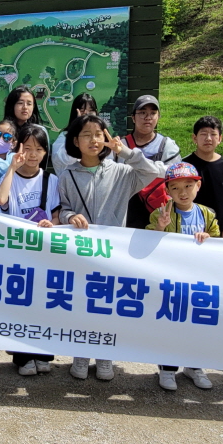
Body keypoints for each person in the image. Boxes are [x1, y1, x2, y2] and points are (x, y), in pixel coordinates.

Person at [57, 113, 160, 382]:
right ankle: (80, 354)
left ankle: (105, 356)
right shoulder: (67, 174)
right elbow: (64, 208)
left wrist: (125, 152)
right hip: (79, 250)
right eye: (86, 135)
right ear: (75, 141)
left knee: (106, 304)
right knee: (81, 302)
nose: (94, 139)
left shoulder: (123, 172)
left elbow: (154, 172)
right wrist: (70, 217)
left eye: (99, 134)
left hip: (112, 252)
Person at [145, 162, 218, 393]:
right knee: (171, 324)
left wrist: (208, 237)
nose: (182, 192)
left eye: (188, 185)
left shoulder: (207, 213)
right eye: (175, 188)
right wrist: (160, 227)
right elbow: (147, 242)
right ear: (167, 191)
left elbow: (219, 243)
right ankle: (167, 368)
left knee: (197, 324)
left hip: (199, 282)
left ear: (198, 186)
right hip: (171, 280)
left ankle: (195, 366)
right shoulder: (161, 212)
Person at [0, 123, 61, 377]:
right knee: (20, 303)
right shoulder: (8, 177)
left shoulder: (51, 180)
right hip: (16, 251)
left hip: (42, 250)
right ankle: (22, 356)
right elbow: (1, 202)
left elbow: (56, 214)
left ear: (46, 153)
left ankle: (43, 353)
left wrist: (51, 224)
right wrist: (11, 168)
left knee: (44, 302)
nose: (32, 155)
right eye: (28, 148)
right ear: (17, 148)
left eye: (39, 149)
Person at [124, 95, 182, 228]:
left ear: (158, 117)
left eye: (153, 113)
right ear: (133, 117)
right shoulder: (122, 145)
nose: (148, 117)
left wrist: (141, 165)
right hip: (127, 212)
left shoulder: (167, 145)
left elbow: (175, 174)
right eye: (142, 113)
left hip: (160, 213)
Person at [181, 115, 223, 237]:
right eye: (203, 134)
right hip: (190, 230)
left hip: (218, 231)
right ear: (194, 138)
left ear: (220, 138)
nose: (208, 138)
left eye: (213, 134)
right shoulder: (185, 165)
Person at [50, 93, 98, 172]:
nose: (87, 114)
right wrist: (78, 129)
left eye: (91, 110)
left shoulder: (101, 136)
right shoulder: (64, 136)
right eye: (82, 111)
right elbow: (63, 160)